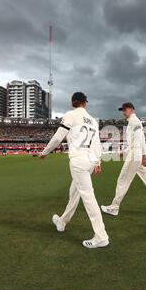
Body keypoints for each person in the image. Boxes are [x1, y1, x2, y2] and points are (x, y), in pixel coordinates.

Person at [39, 92, 109, 249]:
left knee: (88, 197)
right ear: (85, 103)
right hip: (90, 161)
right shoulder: (92, 120)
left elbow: (58, 137)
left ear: (73, 103)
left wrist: (45, 152)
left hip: (78, 161)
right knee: (74, 193)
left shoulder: (70, 115)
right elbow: (96, 144)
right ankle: (62, 221)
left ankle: (101, 236)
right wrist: (98, 162)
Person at [101, 103, 146, 219]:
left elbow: (139, 140)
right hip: (137, 154)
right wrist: (143, 155)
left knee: (123, 180)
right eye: (122, 110)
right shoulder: (133, 122)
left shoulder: (134, 122)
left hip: (135, 155)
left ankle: (114, 207)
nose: (123, 112)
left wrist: (141, 155)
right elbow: (141, 140)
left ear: (132, 109)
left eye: (125, 109)